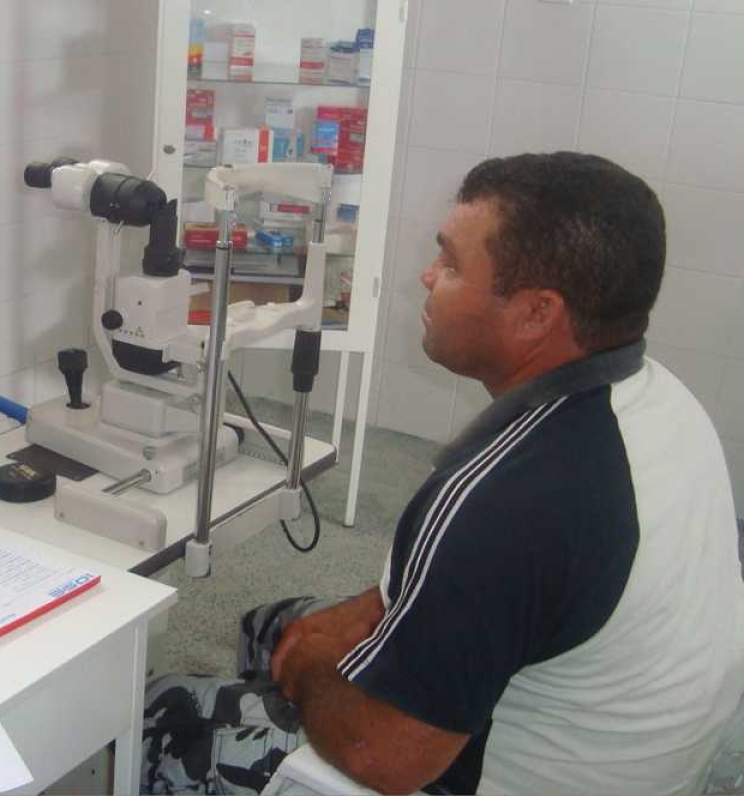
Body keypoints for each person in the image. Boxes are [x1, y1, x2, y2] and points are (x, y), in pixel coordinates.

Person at [141, 152, 744, 795]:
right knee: (269, 627)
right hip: (649, 752)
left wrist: (316, 669)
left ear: (537, 313)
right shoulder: (659, 398)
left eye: (452, 265)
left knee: (156, 715)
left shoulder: (501, 498)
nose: (426, 277)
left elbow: (384, 758)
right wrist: (359, 615)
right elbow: (498, 586)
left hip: (492, 773)